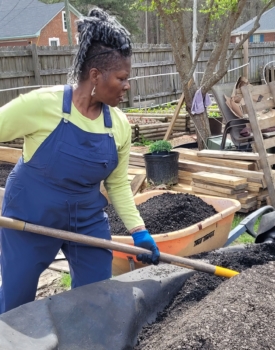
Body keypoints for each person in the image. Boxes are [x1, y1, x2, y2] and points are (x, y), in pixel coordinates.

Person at [0, 8, 160, 314]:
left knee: (96, 296)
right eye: (122, 78)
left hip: (85, 217)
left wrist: (139, 230)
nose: (127, 85)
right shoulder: (41, 105)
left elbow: (116, 184)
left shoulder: (120, 126)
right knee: (16, 301)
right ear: (96, 75)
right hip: (29, 215)